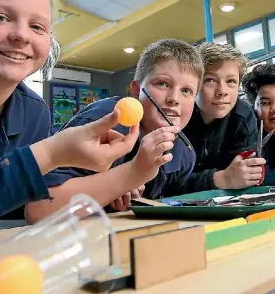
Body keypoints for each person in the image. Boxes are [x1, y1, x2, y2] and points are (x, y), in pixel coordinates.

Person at [0, 0, 139, 256]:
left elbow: (21, 201)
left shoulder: (34, 113)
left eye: (37, 26)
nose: (21, 35)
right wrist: (50, 153)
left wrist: (109, 184)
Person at [25, 38, 203, 220]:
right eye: (162, 84)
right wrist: (121, 181)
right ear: (136, 90)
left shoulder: (184, 154)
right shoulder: (104, 120)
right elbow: (38, 208)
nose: (174, 98)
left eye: (187, 91)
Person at [181, 42, 264, 192]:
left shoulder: (243, 116)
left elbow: (243, 179)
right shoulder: (176, 115)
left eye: (231, 81)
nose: (222, 91)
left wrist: (247, 174)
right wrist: (221, 178)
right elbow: (162, 184)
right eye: (210, 80)